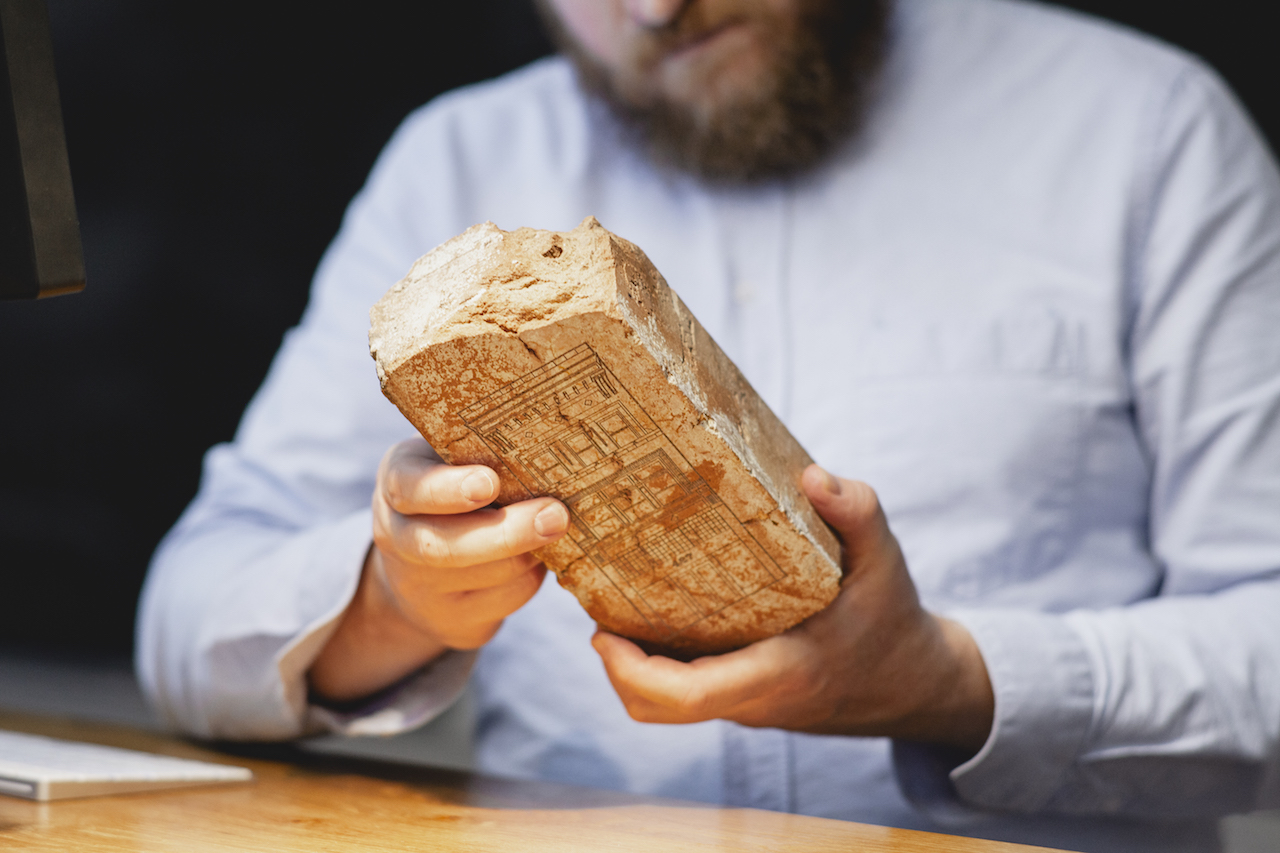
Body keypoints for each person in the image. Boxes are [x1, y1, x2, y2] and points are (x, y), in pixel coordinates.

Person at [136, 0, 1280, 850]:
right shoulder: (458, 165)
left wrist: (943, 680)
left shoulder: (1144, 135)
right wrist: (391, 601)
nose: (650, 8)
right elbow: (186, 623)